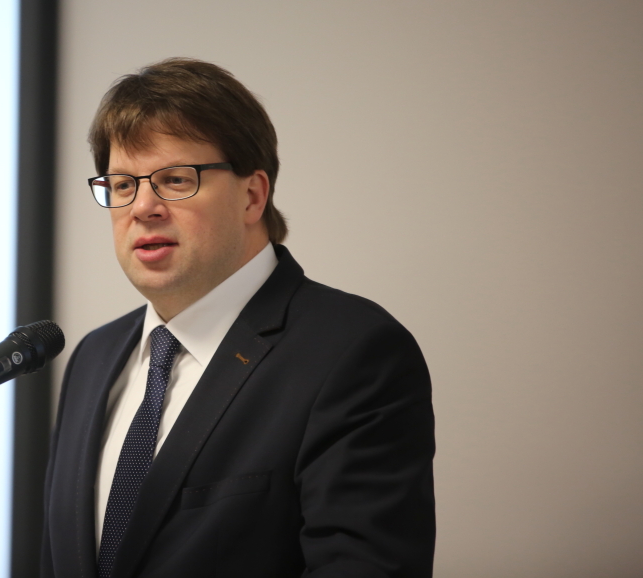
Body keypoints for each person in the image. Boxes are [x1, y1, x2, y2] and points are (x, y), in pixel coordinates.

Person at [41, 58, 435, 578]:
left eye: (175, 180)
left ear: (252, 196)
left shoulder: (352, 352)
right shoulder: (93, 357)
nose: (142, 208)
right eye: (122, 185)